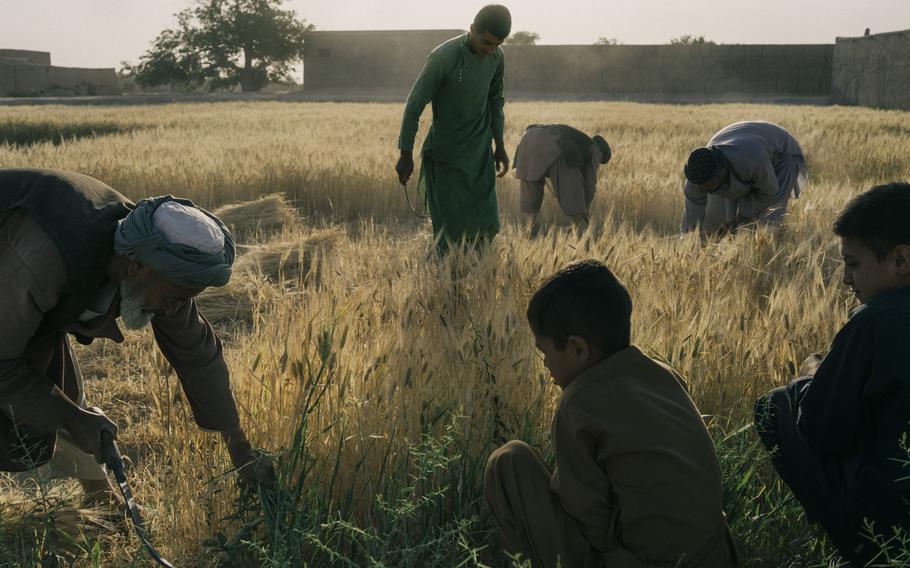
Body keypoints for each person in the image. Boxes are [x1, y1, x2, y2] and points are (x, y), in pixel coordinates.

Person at [0, 168, 274, 507]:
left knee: (62, 395)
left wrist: (240, 448)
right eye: (177, 295)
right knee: (37, 398)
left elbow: (197, 354)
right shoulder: (41, 257)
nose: (177, 306)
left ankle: (102, 502)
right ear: (136, 268)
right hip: (9, 280)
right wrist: (71, 417)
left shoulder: (160, 264)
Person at [484, 260, 737, 567]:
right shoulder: (662, 374)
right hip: (716, 556)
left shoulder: (577, 405)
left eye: (545, 352)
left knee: (507, 462)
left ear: (578, 349)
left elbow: (590, 525)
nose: (546, 365)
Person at [754, 182, 910, 566]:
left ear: (901, 260)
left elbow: (823, 432)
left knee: (776, 405)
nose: (845, 280)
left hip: (893, 527)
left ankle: (860, 546)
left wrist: (812, 376)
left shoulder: (875, 322)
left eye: (853, 263)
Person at [395, 5, 511, 255]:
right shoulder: (443, 58)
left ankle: (480, 289)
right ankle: (451, 291)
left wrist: (499, 145)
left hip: (480, 156)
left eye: (497, 44)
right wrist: (405, 152)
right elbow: (414, 106)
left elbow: (495, 101)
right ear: (472, 29)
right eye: (486, 42)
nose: (489, 50)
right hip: (445, 157)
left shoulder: (497, 57)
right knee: (449, 238)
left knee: (485, 230)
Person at [681, 121, 808, 234]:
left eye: (705, 185)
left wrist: (738, 220)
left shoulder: (752, 160)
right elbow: (693, 205)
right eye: (699, 185)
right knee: (724, 219)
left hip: (782, 156)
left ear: (721, 173)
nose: (701, 189)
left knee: (768, 220)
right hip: (745, 143)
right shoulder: (697, 174)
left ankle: (767, 254)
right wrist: (690, 235)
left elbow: (769, 192)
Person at [513, 124, 612, 235]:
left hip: (528, 138)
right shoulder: (595, 148)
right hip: (551, 143)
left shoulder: (580, 139)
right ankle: (583, 240)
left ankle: (530, 237)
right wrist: (584, 210)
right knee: (576, 205)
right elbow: (589, 184)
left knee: (531, 208)